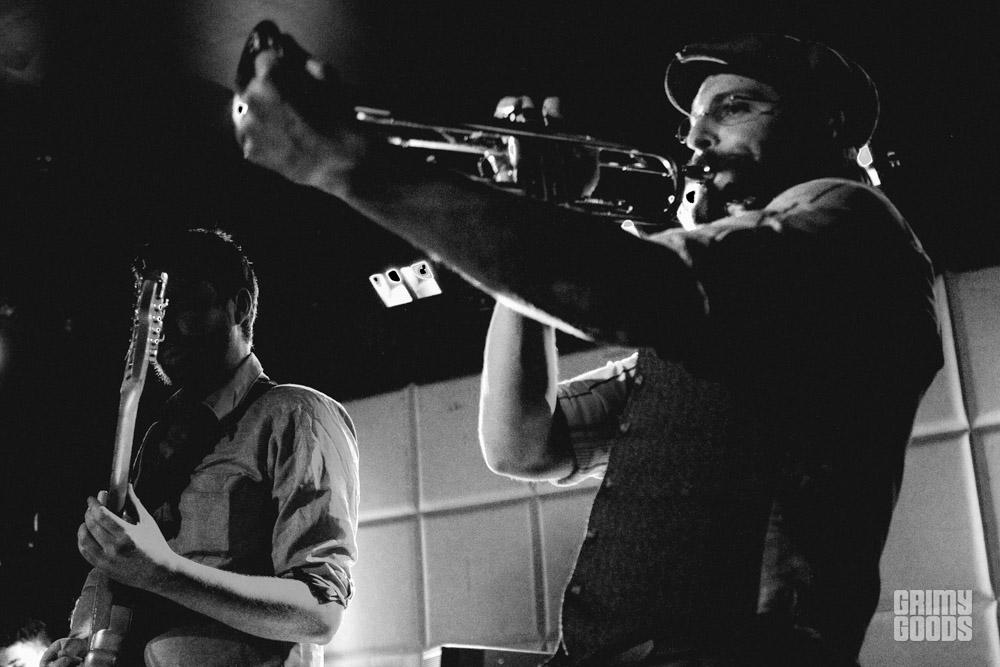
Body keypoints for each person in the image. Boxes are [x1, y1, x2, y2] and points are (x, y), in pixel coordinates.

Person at [233, 26, 942, 666]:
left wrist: (352, 164)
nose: (695, 141)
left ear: (829, 122)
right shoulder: (725, 328)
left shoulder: (851, 224)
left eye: (734, 108)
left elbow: (634, 287)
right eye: (691, 124)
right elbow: (521, 442)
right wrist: (540, 215)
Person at [41, 229, 359, 667]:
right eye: (152, 312)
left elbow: (319, 613)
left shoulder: (297, 414)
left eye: (183, 306)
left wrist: (162, 572)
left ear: (240, 307)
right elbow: (121, 575)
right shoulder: (160, 437)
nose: (162, 329)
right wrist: (82, 640)